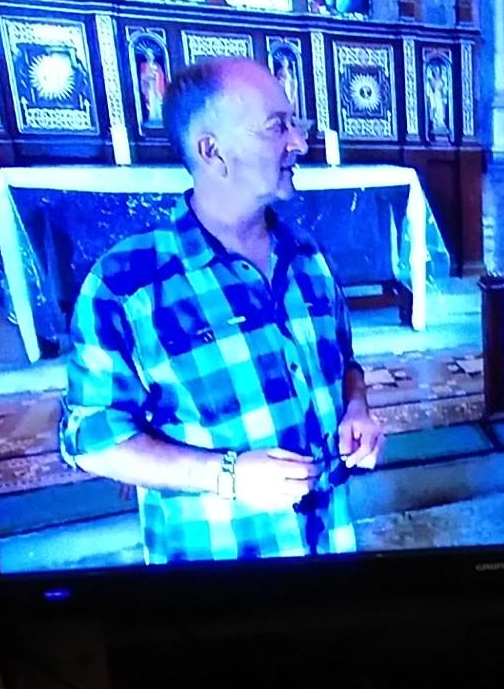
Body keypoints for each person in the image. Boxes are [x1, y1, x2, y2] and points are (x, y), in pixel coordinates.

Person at [58, 57, 384, 562]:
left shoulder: (308, 257)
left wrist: (357, 408)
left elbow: (346, 366)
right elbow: (91, 439)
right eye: (277, 126)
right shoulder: (126, 283)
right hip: (217, 566)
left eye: (295, 125)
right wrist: (227, 476)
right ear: (211, 151)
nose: (299, 143)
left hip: (330, 545)